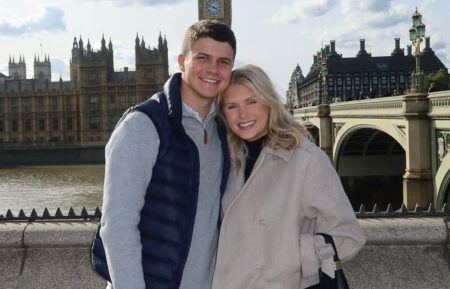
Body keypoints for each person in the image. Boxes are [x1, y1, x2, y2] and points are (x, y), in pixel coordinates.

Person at [91, 20, 236, 289]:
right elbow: (118, 228)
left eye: (223, 62)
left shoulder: (223, 132)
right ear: (182, 61)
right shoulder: (142, 125)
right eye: (202, 58)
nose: (213, 70)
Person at [212, 64, 366, 289]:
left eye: (252, 102)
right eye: (232, 106)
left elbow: (349, 236)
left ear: (269, 102)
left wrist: (290, 259)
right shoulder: (225, 160)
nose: (243, 114)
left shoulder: (306, 159)